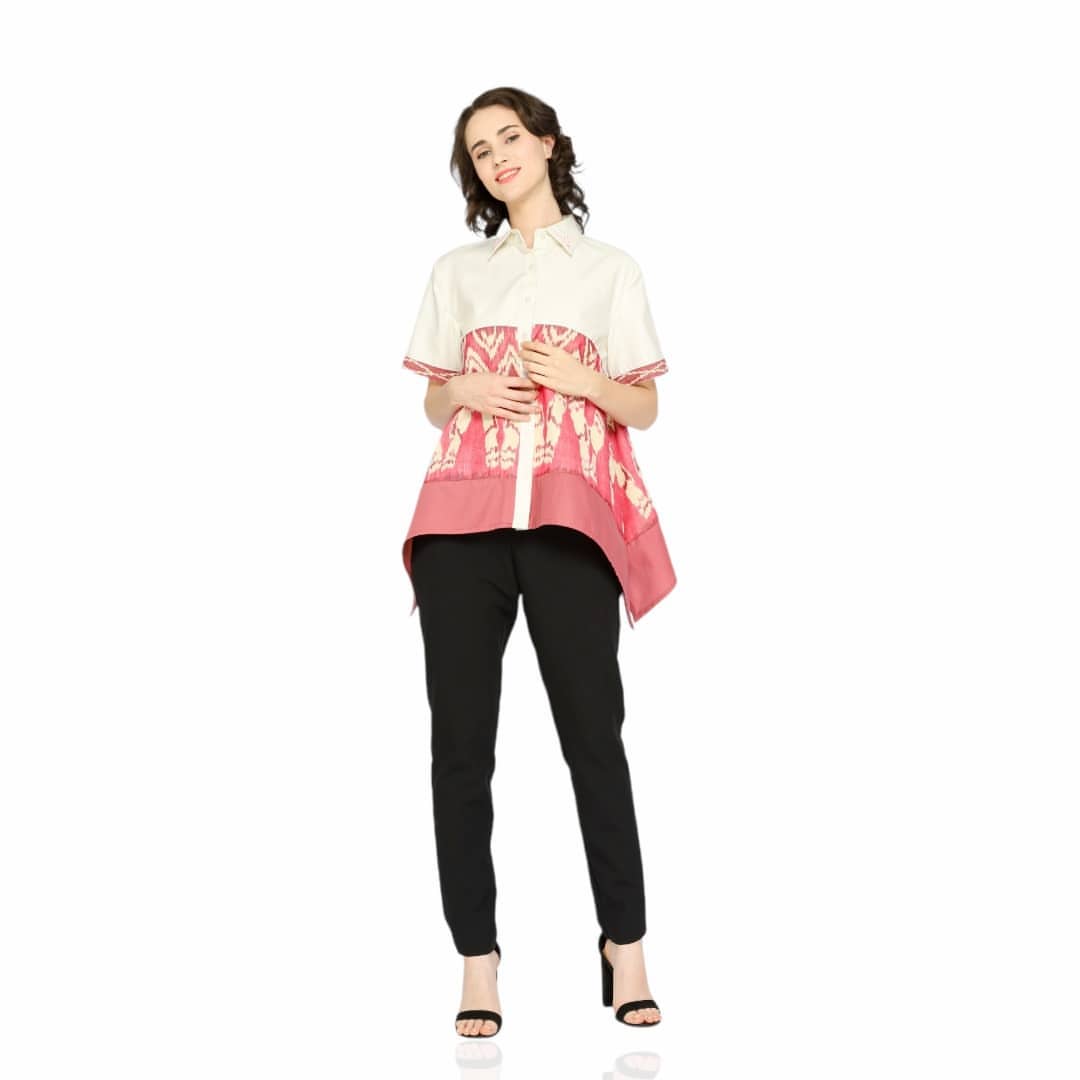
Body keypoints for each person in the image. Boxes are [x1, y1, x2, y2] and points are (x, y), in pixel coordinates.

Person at [400, 86, 675, 1037]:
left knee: (594, 737)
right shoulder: (457, 272)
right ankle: (477, 960)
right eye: (479, 151)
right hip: (459, 526)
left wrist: (588, 380)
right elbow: (435, 402)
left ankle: (625, 947)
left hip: (568, 522)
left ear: (550, 144)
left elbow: (643, 408)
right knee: (459, 749)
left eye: (509, 137)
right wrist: (464, 390)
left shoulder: (610, 271)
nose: (497, 157)